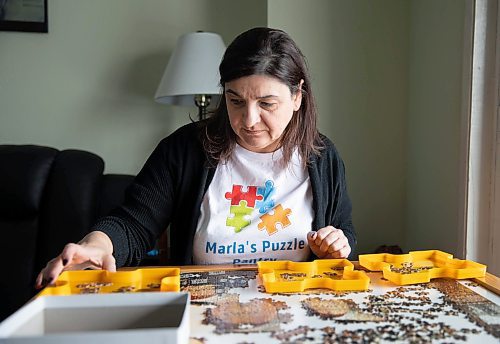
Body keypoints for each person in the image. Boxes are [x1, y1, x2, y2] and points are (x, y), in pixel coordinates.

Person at [36, 27, 356, 288]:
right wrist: (95, 246)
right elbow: (133, 222)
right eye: (235, 101)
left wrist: (336, 247)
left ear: (298, 96)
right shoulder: (184, 149)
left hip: (296, 308)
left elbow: (343, 234)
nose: (249, 120)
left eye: (267, 103)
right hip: (201, 310)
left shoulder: (323, 157)